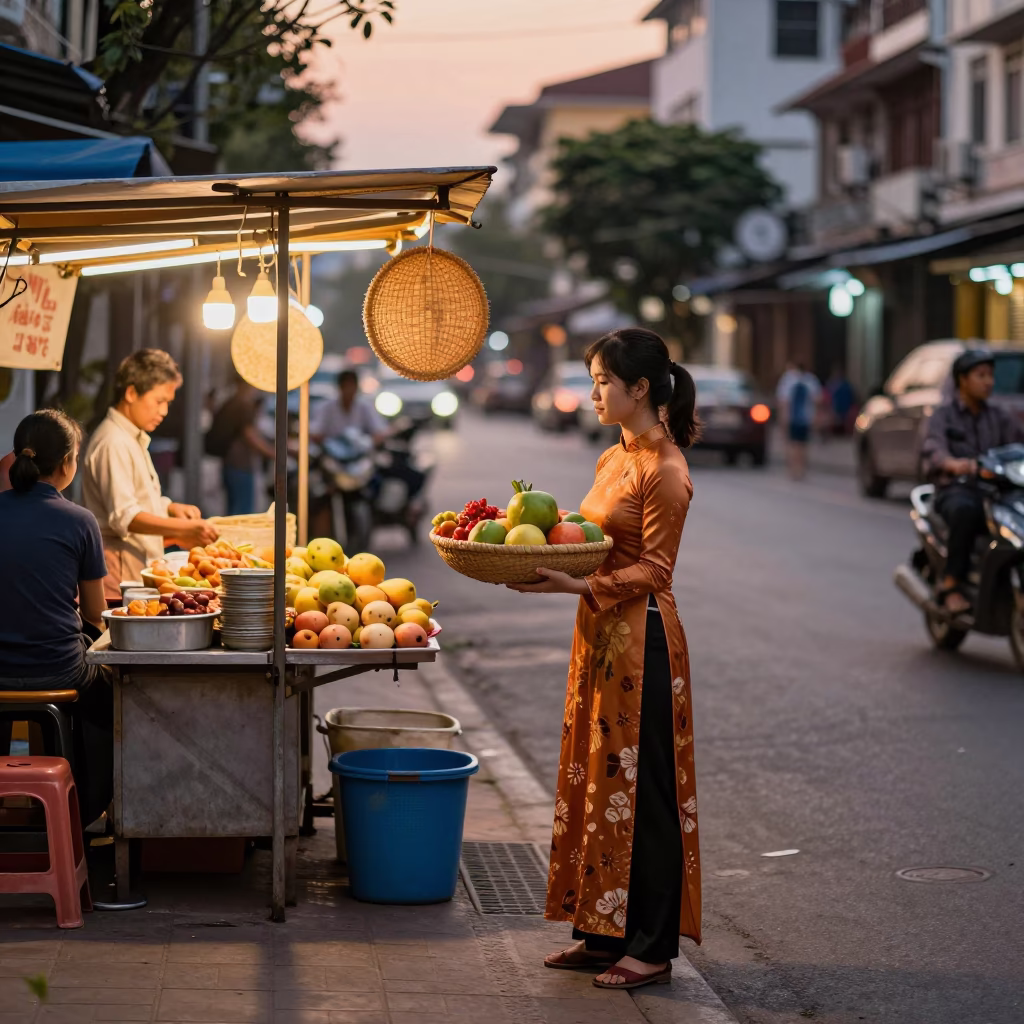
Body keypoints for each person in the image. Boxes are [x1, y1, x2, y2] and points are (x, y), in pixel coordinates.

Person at [506, 327, 701, 991]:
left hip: (642, 642)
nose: (592, 392)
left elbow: (654, 569)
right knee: (596, 785)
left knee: (643, 796)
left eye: (602, 382)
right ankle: (600, 933)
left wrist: (580, 585)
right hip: (598, 640)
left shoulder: (665, 468)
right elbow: (590, 536)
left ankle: (650, 946)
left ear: (639, 388)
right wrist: (549, 552)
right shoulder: (612, 457)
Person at [0, 410, 113, 826]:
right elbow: (96, 615)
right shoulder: (80, 521)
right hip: (60, 671)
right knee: (118, 692)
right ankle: (83, 811)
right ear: (67, 463)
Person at [82, 349, 218, 602]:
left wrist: (171, 507)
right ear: (131, 393)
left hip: (134, 566)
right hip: (117, 574)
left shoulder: (131, 437)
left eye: (168, 402)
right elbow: (126, 516)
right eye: (159, 401)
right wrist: (188, 528)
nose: (164, 411)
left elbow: (140, 499)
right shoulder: (114, 441)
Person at [921, 349, 1024, 616]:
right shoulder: (943, 416)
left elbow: (1018, 444)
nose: (988, 382)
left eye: (990, 376)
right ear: (962, 380)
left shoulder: (1000, 416)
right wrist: (954, 464)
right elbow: (933, 449)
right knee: (966, 511)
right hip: (957, 489)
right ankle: (952, 582)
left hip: (998, 492)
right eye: (980, 376)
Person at [206, 374, 275, 516]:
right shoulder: (243, 404)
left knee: (235, 509)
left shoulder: (231, 401)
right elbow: (250, 435)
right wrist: (273, 453)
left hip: (231, 464)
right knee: (242, 512)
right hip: (239, 465)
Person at [310, 368, 389, 445]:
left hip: (360, 452)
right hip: (332, 452)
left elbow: (378, 431)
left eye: (351, 386)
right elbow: (316, 430)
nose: (349, 390)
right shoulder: (327, 407)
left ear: (356, 387)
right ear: (340, 387)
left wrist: (370, 441)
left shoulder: (365, 406)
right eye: (345, 386)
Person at [776, 362, 821, 480]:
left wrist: (783, 418)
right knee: (802, 445)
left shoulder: (788, 380)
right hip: (805, 418)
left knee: (794, 444)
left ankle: (795, 468)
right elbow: (817, 400)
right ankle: (799, 468)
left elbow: (783, 401)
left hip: (795, 418)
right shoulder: (811, 380)